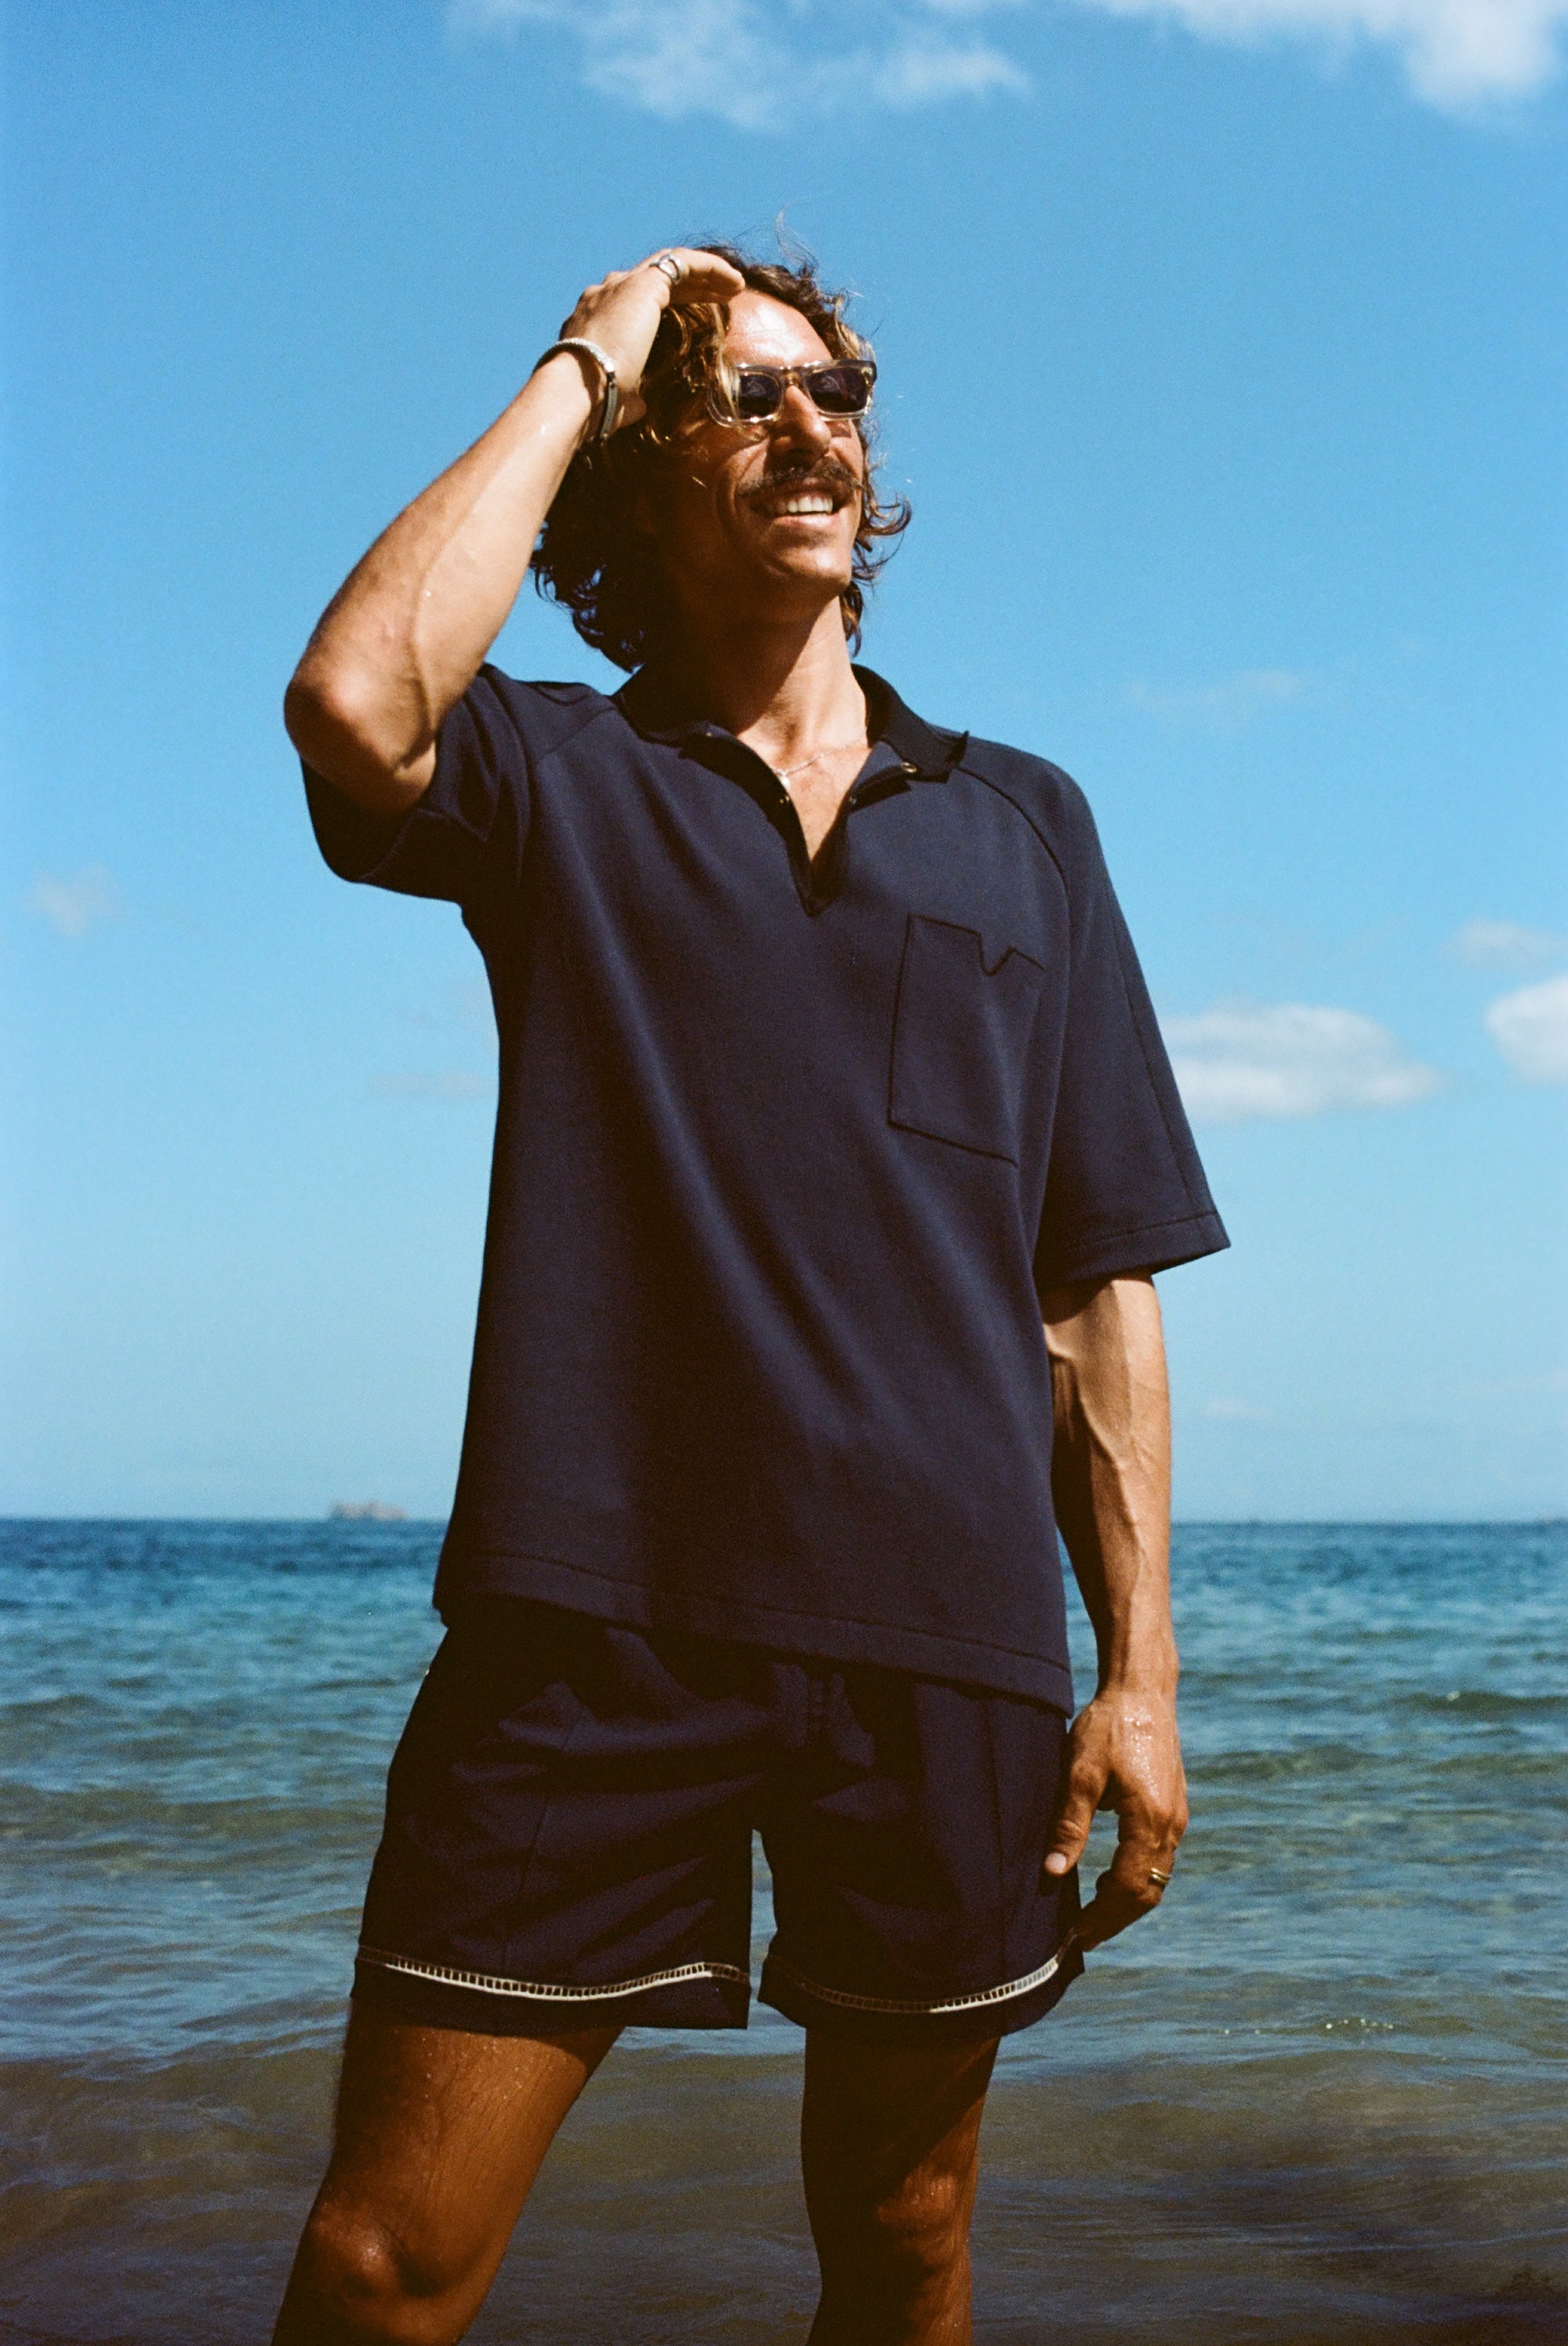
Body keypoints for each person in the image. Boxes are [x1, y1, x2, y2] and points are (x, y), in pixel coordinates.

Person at [274, 242, 1228, 2346]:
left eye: (841, 391)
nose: (819, 428)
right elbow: (354, 704)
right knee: (382, 2259)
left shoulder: (1026, 825)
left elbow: (1097, 1281)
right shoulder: (554, 782)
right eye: (750, 396)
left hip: (945, 1644)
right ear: (638, 474)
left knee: (902, 2242)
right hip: (590, 1619)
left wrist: (1140, 1670)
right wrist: (586, 357)